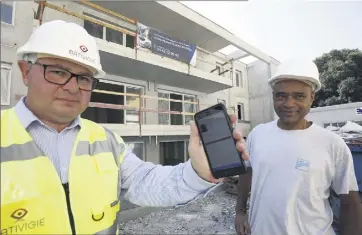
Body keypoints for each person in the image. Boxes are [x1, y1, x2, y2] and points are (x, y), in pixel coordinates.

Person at [0, 20, 249, 235]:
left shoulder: (106, 140)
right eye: (57, 72)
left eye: (84, 78)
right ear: (25, 72)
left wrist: (197, 172)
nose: (72, 87)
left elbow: (147, 183)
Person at [234, 58, 362, 235]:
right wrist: (240, 211)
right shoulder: (258, 134)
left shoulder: (332, 144)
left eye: (299, 96)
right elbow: (247, 171)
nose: (289, 104)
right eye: (281, 96)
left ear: (312, 97)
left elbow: (350, 203)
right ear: (273, 97)